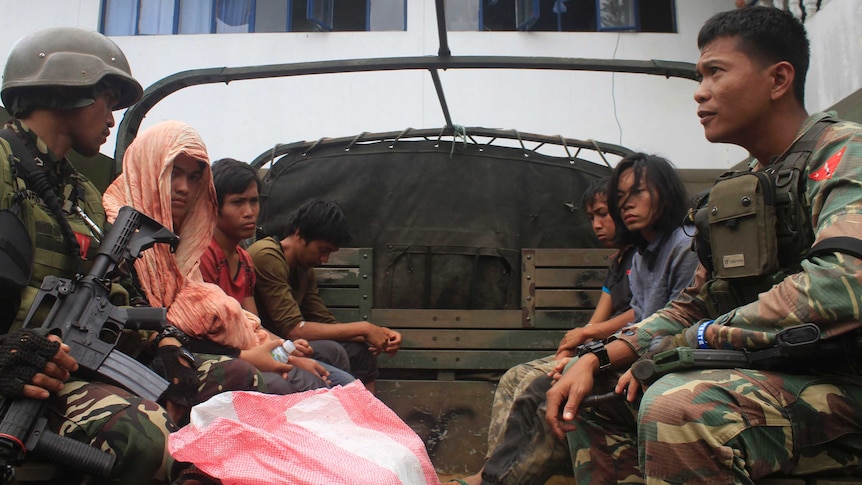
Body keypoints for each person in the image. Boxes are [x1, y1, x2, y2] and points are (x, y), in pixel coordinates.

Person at [546, 6, 862, 483]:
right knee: (589, 397)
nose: (700, 91)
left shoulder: (843, 154)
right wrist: (599, 355)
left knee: (679, 408)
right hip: (775, 372)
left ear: (778, 79)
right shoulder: (738, 188)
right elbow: (693, 305)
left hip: (845, 379)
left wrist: (692, 344)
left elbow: (843, 282)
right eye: (699, 75)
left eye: (716, 72)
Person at [456, 152, 698, 485]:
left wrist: (594, 360)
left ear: (666, 194)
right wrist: (585, 357)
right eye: (620, 198)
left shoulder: (686, 246)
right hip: (632, 358)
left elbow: (680, 327)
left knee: (555, 393)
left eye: (637, 193)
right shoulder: (642, 255)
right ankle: (492, 476)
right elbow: (638, 322)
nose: (625, 205)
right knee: (543, 383)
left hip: (668, 370)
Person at [0, 27, 174, 484]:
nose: (112, 120)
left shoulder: (82, 196)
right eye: (107, 99)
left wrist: (150, 339)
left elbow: (109, 291)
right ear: (66, 87)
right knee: (146, 434)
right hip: (13, 380)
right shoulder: (3, 164)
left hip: (57, 369)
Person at [450, 177, 636, 484]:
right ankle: (490, 470)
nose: (597, 225)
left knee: (537, 384)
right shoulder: (618, 262)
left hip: (619, 354)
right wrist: (577, 342)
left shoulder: (645, 256)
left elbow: (643, 316)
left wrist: (587, 337)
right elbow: (597, 319)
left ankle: (504, 478)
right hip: (598, 350)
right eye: (592, 218)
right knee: (514, 377)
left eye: (604, 214)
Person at [202, 157, 353, 387]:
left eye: (254, 201)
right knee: (316, 383)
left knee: (340, 378)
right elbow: (209, 335)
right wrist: (288, 356)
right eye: (237, 202)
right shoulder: (206, 255)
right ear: (215, 206)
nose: (249, 212)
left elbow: (255, 325)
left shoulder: (243, 260)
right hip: (227, 356)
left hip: (254, 346)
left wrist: (285, 348)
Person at [249, 199, 403, 392]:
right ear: (298, 233)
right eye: (322, 250)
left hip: (295, 343)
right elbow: (293, 329)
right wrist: (364, 328)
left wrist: (379, 334)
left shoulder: (304, 269)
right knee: (336, 355)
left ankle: (369, 417)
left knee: (361, 353)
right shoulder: (267, 256)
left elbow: (324, 321)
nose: (324, 259)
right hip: (268, 346)